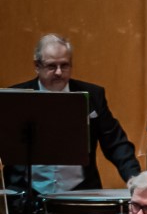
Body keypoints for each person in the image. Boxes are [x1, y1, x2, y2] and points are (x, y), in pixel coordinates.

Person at [5, 34, 139, 196]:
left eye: (64, 65)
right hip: (26, 194)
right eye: (51, 66)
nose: (59, 72)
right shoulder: (16, 97)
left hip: (80, 193)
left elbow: (116, 143)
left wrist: (135, 179)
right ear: (37, 66)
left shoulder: (93, 95)